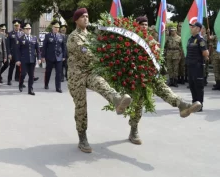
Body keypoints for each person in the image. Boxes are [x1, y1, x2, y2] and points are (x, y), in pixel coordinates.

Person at [128, 16, 202, 145]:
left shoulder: (151, 41)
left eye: (146, 24)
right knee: (137, 106)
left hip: (150, 75)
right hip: (137, 78)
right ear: (137, 26)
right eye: (142, 25)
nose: (144, 27)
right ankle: (133, 130)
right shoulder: (131, 40)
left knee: (165, 90)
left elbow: (157, 58)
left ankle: (182, 105)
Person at [67, 8, 133, 153]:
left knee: (102, 84)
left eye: (87, 16)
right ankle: (82, 137)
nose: (86, 18)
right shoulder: (73, 37)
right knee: (81, 107)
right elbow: (86, 53)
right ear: (76, 20)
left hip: (89, 72)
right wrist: (105, 59)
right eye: (83, 17)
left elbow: (99, 48)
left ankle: (117, 101)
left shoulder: (90, 36)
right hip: (76, 76)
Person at [186, 22, 209, 111]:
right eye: (191, 27)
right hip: (190, 66)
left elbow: (205, 53)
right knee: (191, 85)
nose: (191, 28)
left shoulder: (200, 40)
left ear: (198, 29)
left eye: (193, 27)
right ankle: (194, 103)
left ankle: (199, 105)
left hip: (198, 66)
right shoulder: (190, 39)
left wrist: (205, 56)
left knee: (198, 86)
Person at [16, 23, 41, 95]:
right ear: (24, 30)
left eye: (29, 29)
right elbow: (17, 51)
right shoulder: (20, 39)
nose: (28, 30)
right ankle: (20, 84)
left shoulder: (34, 38)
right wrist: (18, 60)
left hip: (32, 59)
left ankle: (30, 90)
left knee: (31, 75)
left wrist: (39, 58)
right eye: (27, 29)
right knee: (23, 74)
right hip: (24, 59)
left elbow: (38, 49)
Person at [42, 20, 66, 93]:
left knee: (58, 73)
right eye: (55, 27)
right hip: (50, 57)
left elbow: (63, 47)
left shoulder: (61, 36)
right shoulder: (48, 36)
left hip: (59, 57)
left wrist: (64, 56)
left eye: (58, 27)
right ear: (52, 27)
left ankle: (58, 87)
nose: (56, 29)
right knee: (48, 71)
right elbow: (44, 47)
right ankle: (46, 83)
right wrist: (43, 56)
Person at [7, 19, 24, 85]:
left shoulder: (22, 33)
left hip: (19, 54)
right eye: (15, 25)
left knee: (19, 67)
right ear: (14, 26)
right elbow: (8, 45)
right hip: (13, 53)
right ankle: (9, 80)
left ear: (20, 26)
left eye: (18, 25)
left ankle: (17, 78)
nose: (17, 27)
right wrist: (9, 53)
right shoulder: (10, 34)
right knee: (11, 67)